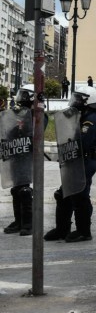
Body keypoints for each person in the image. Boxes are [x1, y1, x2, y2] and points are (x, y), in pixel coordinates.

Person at [45, 85, 96, 242]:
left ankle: (84, 231)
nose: (75, 101)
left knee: (79, 194)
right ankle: (62, 229)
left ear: (87, 101)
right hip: (76, 159)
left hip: (86, 160)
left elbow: (83, 142)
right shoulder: (81, 116)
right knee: (64, 194)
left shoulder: (91, 119)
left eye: (78, 98)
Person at [2, 89, 43, 236]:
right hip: (16, 154)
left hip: (28, 156)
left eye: (24, 96)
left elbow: (37, 133)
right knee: (16, 189)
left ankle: (28, 223)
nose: (21, 99)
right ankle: (18, 221)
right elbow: (10, 133)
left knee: (25, 190)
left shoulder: (37, 115)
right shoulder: (20, 115)